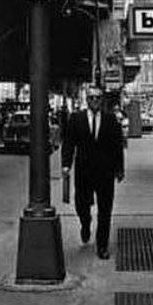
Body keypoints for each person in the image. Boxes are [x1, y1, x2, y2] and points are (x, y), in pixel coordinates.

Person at [61, 90, 125, 260]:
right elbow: (69, 143)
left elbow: (117, 145)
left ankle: (102, 246)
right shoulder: (76, 118)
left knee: (105, 209)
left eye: (98, 97)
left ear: (101, 100)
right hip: (84, 171)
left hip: (105, 172)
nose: (95, 100)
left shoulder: (110, 119)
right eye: (91, 97)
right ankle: (85, 222)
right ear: (87, 99)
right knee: (81, 204)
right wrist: (66, 164)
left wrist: (119, 169)